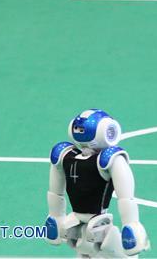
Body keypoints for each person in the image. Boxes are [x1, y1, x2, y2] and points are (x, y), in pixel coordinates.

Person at [44, 109, 149, 256]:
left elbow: (125, 196)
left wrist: (131, 224)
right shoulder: (65, 155)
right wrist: (55, 216)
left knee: (112, 249)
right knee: (83, 250)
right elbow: (55, 192)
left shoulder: (108, 159)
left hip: (99, 223)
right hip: (76, 221)